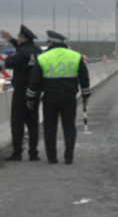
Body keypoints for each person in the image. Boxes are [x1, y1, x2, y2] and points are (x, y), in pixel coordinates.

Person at [26, 30, 90, 165]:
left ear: (51, 42)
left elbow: (34, 81)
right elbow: (84, 78)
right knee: (69, 126)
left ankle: (52, 158)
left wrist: (30, 97)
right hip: (69, 97)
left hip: (50, 97)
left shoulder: (43, 57)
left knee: (50, 127)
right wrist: (85, 95)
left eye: (48, 42)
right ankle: (68, 157)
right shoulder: (76, 56)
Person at [0, 26, 43, 161]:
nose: (18, 39)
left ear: (24, 38)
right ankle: (33, 153)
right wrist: (11, 40)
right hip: (35, 90)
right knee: (33, 122)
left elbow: (9, 61)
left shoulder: (22, 52)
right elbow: (24, 50)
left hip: (21, 91)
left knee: (18, 122)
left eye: (19, 37)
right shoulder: (37, 50)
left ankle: (17, 152)